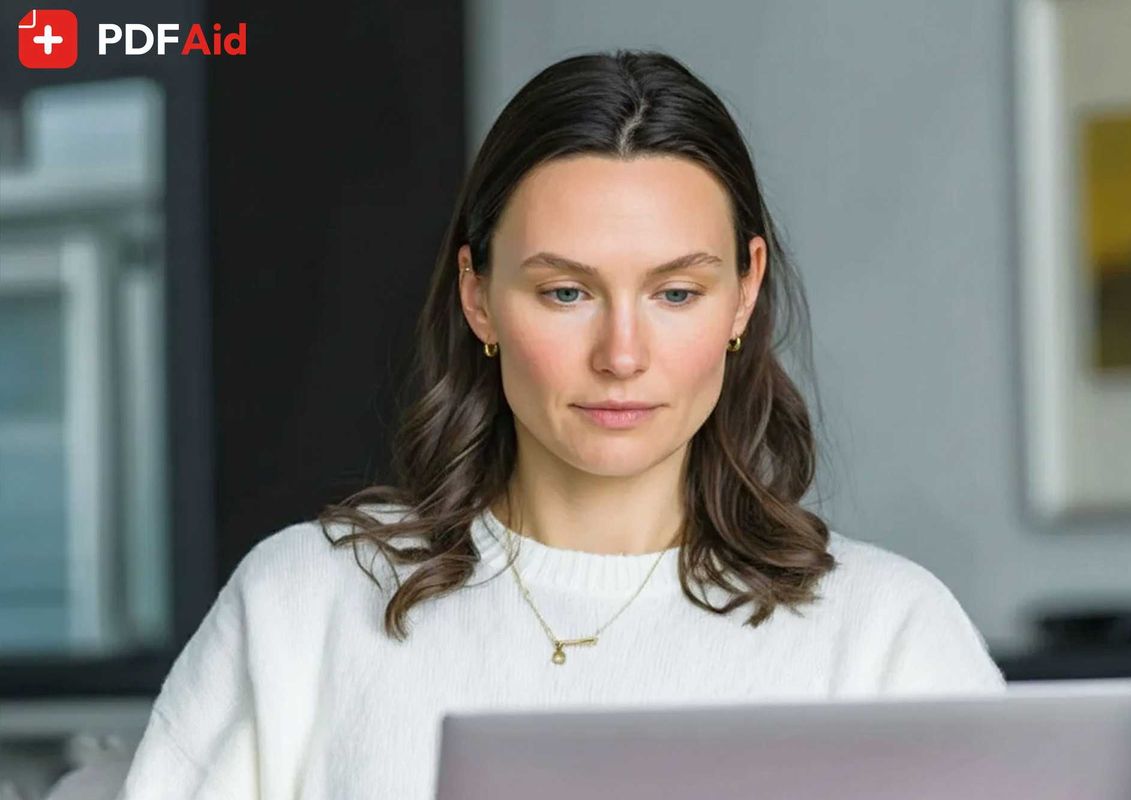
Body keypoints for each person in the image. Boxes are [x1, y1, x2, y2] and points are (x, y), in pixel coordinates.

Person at [117, 48, 1005, 800]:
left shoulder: (886, 634)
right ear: (479, 298)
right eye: (566, 292)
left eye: (676, 293)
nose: (622, 354)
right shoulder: (303, 606)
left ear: (743, 294)